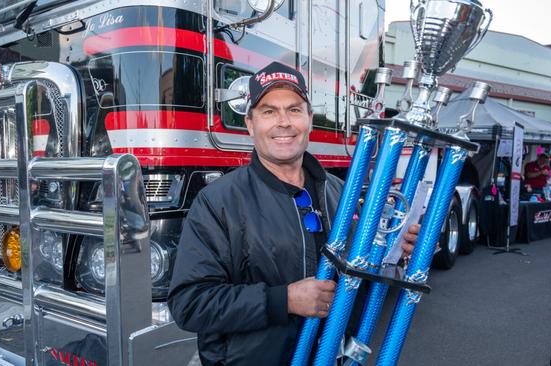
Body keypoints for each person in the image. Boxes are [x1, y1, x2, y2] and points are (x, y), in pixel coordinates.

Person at [167, 62, 419, 365]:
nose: (283, 122)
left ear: (309, 120)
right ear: (250, 124)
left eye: (294, 110)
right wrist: (283, 300)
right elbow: (190, 303)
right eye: (269, 111)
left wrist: (394, 255)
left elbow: (356, 279)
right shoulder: (218, 201)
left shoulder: (341, 193)